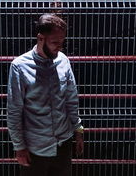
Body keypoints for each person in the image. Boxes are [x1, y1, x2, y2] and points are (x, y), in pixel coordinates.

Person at [6, 13, 84, 176]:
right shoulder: (19, 67)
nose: (60, 47)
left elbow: (71, 99)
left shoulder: (63, 60)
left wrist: (78, 128)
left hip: (63, 144)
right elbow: (14, 110)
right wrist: (19, 147)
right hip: (35, 149)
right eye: (55, 42)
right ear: (40, 38)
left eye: (62, 42)